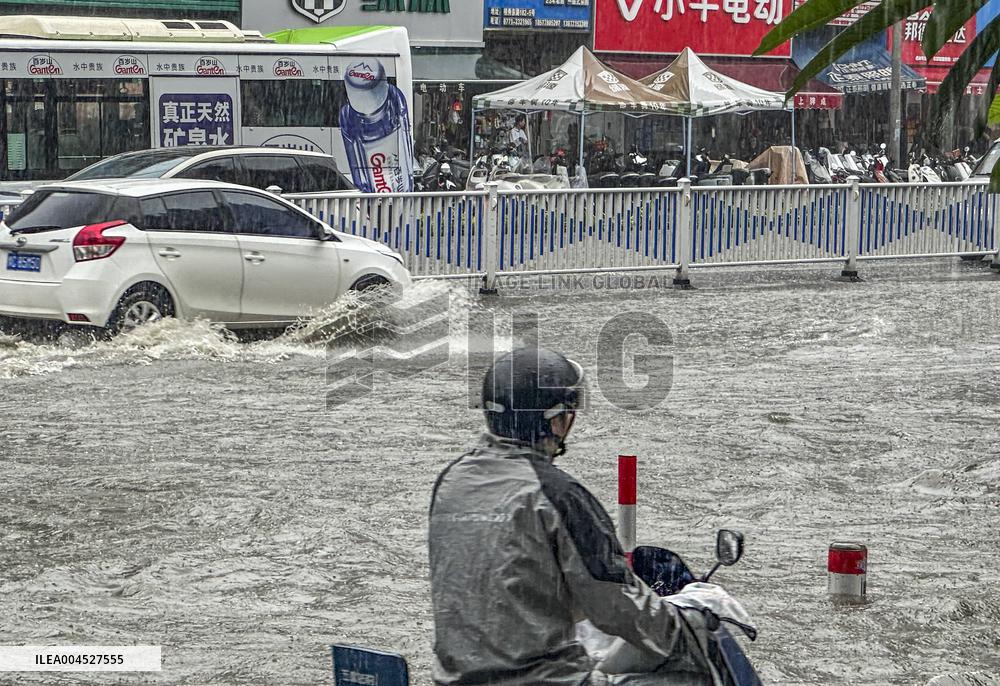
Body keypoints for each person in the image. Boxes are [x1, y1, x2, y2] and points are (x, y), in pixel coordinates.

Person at [428, 347, 713, 686]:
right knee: (692, 677)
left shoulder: (451, 480)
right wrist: (687, 626)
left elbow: (504, 580)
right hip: (547, 681)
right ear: (558, 420)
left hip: (452, 679)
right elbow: (616, 604)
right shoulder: (557, 495)